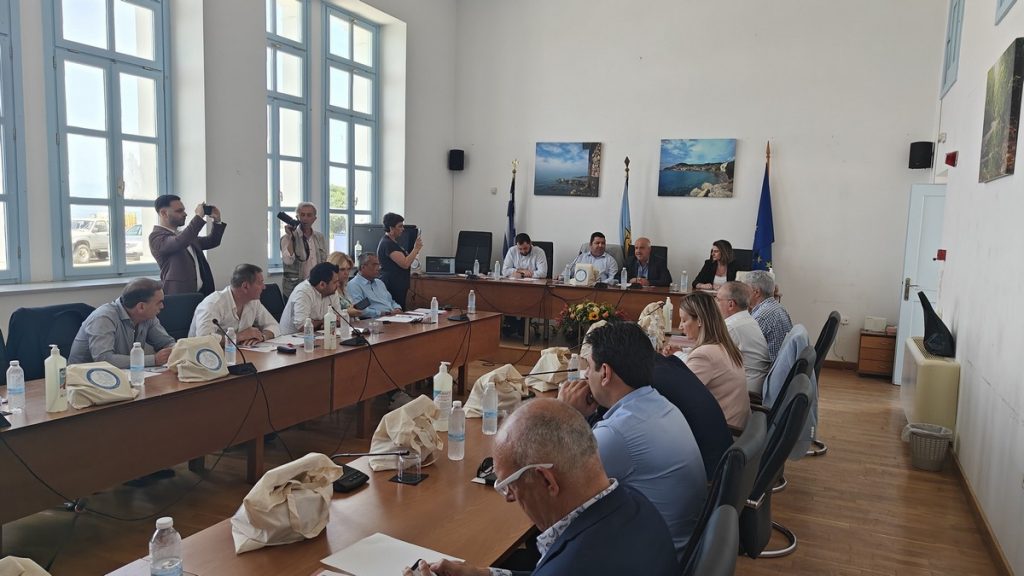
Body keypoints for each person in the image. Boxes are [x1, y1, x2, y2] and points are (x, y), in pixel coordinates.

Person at [406, 398, 679, 576]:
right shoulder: (637, 503)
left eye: (509, 486)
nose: (509, 498)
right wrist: (485, 574)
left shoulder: (575, 565)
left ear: (547, 481)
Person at [558, 321, 706, 560]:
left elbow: (558, 487)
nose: (585, 375)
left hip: (651, 560)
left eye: (590, 367)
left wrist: (564, 413)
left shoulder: (617, 433)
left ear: (605, 373)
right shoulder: (659, 403)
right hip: (677, 546)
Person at [669, 291, 750, 428]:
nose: (680, 326)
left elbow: (677, 396)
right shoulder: (724, 345)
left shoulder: (704, 354)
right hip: (737, 426)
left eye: (684, 320)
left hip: (725, 431)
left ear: (700, 321)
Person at [69, 278, 175, 368]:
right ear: (141, 307)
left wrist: (175, 350)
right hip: (84, 379)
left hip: (123, 376)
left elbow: (166, 343)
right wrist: (153, 360)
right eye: (159, 303)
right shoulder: (103, 318)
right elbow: (104, 359)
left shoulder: (148, 317)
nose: (162, 306)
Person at [149, 195, 227, 296]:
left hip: (201, 294)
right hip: (179, 296)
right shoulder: (156, 237)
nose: (185, 214)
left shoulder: (183, 235)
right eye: (179, 211)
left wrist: (217, 220)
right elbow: (179, 242)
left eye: (183, 210)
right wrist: (198, 217)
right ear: (164, 213)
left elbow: (212, 241)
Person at [188, 263, 280, 344]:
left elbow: (274, 326)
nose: (264, 287)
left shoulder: (254, 302)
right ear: (245, 286)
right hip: (203, 355)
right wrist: (240, 336)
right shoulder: (213, 304)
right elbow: (204, 340)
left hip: (238, 353)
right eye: (260, 283)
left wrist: (262, 337)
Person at [716, 281, 771, 395]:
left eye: (718, 299)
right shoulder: (747, 319)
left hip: (746, 390)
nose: (715, 303)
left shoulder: (732, 327)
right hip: (752, 383)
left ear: (731, 304)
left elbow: (709, 359)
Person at [280, 202, 328, 298]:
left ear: (314, 218)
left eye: (309, 215)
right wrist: (292, 236)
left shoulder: (320, 237)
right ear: (297, 217)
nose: (305, 218)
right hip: (294, 289)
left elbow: (324, 261)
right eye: (302, 215)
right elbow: (288, 261)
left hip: (315, 287)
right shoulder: (287, 238)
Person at [279, 262, 341, 334]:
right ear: (322, 284)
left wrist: (325, 322)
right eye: (335, 282)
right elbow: (302, 326)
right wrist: (324, 322)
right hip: (291, 337)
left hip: (318, 334)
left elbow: (339, 319)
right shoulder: (303, 292)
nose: (338, 285)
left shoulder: (332, 292)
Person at [377, 212, 423, 309]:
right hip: (392, 284)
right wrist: (415, 249)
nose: (403, 229)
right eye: (400, 226)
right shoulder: (388, 244)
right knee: (396, 310)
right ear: (391, 228)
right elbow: (405, 264)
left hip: (399, 283)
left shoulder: (394, 242)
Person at [746, 270, 793, 363]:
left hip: (769, 369)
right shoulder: (777, 307)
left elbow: (745, 348)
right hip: (782, 364)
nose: (743, 294)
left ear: (756, 292)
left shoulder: (761, 316)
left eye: (745, 290)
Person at [348, 252, 403, 318]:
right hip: (375, 320)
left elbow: (391, 301)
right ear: (363, 267)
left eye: (378, 264)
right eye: (374, 265)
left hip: (393, 317)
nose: (379, 268)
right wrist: (384, 313)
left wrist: (397, 308)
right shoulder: (354, 285)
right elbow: (360, 310)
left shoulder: (379, 283)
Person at [326, 251, 362, 317]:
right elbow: (328, 314)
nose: (346, 273)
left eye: (348, 269)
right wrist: (347, 312)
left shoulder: (345, 287)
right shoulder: (328, 290)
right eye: (342, 269)